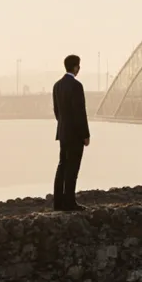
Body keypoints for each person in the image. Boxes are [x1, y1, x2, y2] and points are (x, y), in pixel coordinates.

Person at [52, 54, 90, 211]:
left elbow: (57, 111)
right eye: (79, 66)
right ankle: (69, 202)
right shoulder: (76, 86)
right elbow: (80, 112)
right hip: (74, 135)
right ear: (75, 67)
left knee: (62, 166)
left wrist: (63, 126)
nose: (79, 69)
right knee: (72, 168)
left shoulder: (57, 86)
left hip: (63, 133)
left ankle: (58, 202)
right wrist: (85, 135)